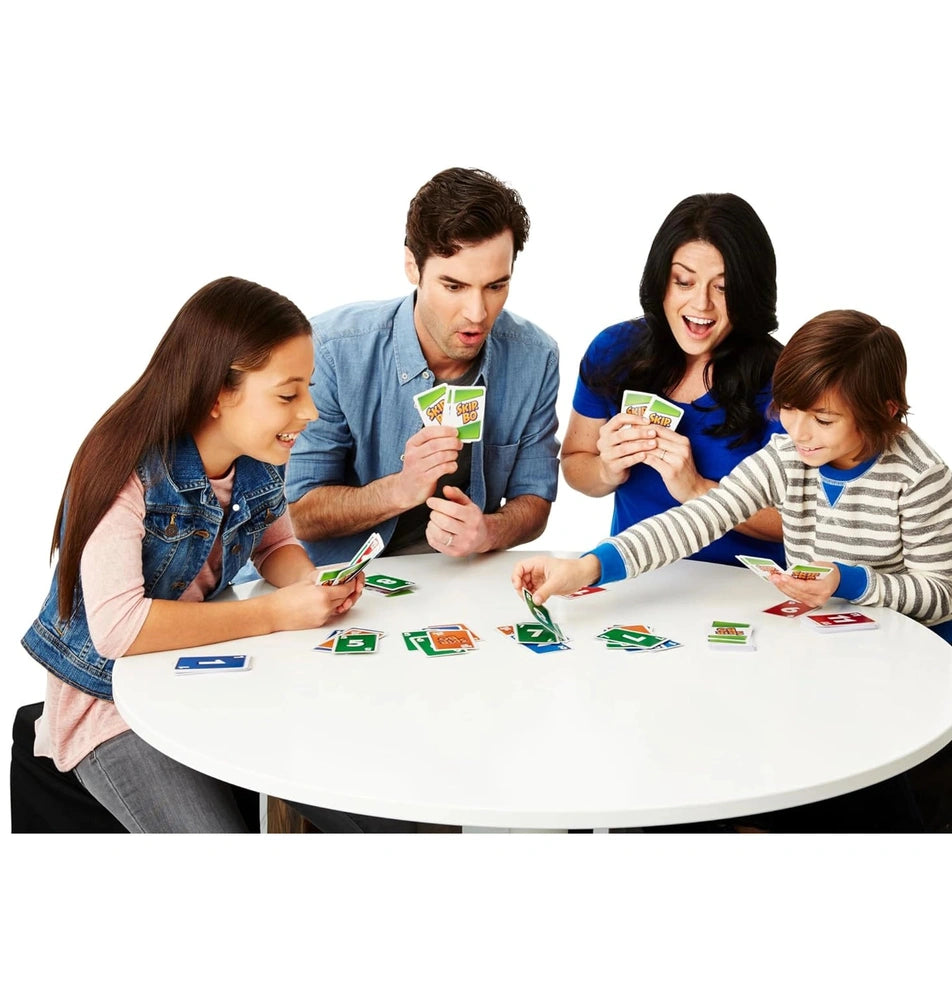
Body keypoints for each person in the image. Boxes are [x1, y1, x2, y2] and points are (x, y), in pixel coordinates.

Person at [513, 309, 952, 832]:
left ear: (884, 412)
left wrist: (845, 581)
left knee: (855, 794)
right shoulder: (789, 454)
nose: (799, 432)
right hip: (837, 649)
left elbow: (941, 594)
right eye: (790, 409)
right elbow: (698, 518)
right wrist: (587, 567)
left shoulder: (921, 477)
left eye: (824, 420)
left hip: (924, 654)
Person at [21, 277, 365, 833]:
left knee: (353, 788)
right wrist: (277, 613)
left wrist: (309, 583)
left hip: (196, 679)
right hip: (107, 707)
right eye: (288, 395)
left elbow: (276, 545)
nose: (310, 412)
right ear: (217, 395)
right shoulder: (124, 468)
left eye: (308, 389)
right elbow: (118, 630)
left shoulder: (258, 459)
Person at [285, 166, 560, 566]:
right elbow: (300, 513)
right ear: (413, 266)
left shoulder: (535, 358)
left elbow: (534, 499)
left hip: (461, 577)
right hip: (341, 580)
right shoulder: (330, 350)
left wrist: (489, 531)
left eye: (496, 286)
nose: (477, 313)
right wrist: (400, 490)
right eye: (454, 286)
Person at [560, 193, 785, 568]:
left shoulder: (785, 379)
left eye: (724, 288)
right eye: (683, 281)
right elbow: (574, 461)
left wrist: (697, 489)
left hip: (742, 588)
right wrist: (606, 470)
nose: (701, 304)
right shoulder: (613, 350)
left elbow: (802, 521)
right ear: (661, 280)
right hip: (636, 579)